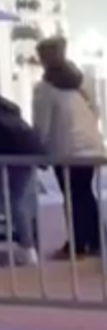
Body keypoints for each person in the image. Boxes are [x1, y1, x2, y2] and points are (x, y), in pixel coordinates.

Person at [32, 35, 103, 260]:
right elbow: (96, 110)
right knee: (85, 193)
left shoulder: (45, 89)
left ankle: (78, 244)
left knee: (72, 196)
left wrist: (38, 151)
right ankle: (95, 240)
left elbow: (42, 126)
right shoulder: (81, 81)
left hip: (66, 150)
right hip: (90, 146)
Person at [0, 95, 44, 266]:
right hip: (27, 156)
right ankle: (28, 247)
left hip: (11, 158)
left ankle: (27, 247)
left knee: (15, 203)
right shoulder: (9, 111)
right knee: (20, 202)